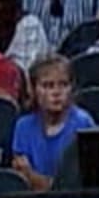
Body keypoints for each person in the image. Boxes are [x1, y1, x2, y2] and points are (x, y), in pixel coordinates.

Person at [9, 54, 90, 189]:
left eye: (63, 85)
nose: (56, 92)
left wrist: (34, 177)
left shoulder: (83, 124)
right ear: (33, 89)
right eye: (48, 86)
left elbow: (78, 184)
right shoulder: (23, 127)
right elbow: (24, 181)